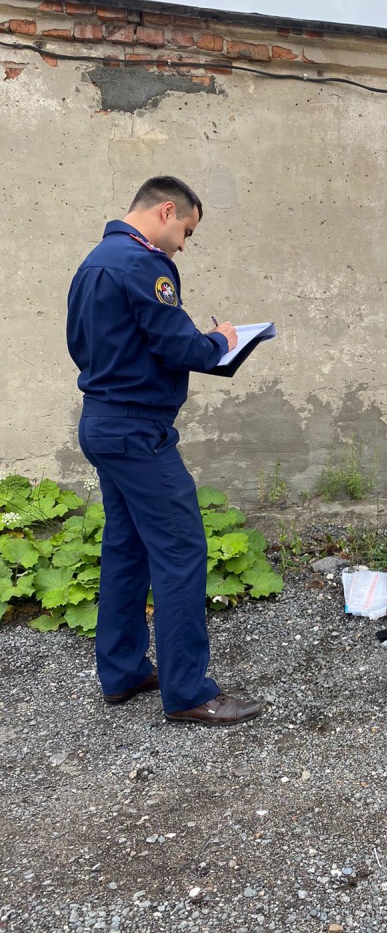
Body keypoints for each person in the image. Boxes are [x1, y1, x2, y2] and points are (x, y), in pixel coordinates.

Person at [67, 176, 262, 726]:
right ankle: (189, 692)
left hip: (102, 421)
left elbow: (84, 346)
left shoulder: (92, 263)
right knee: (180, 549)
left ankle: (123, 672)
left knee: (127, 548)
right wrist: (222, 339)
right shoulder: (142, 263)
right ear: (167, 211)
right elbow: (179, 347)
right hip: (137, 430)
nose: (184, 244)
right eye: (187, 232)